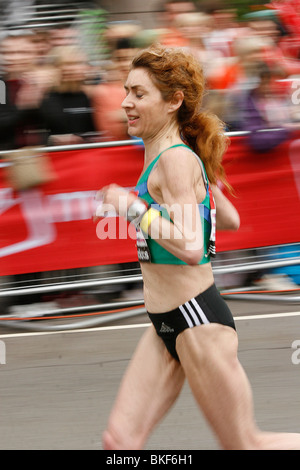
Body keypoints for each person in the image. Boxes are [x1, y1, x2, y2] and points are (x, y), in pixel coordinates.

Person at [95, 44, 300, 450]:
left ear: (173, 101)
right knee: (119, 443)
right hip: (164, 325)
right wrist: (204, 185)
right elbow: (230, 220)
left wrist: (131, 207)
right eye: (126, 91)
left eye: (139, 93)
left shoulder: (175, 160)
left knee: (245, 444)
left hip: (198, 322)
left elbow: (190, 246)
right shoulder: (174, 157)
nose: (125, 103)